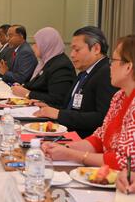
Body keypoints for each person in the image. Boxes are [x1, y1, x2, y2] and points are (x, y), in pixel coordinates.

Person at [42, 35, 135, 170]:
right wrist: (63, 147)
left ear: (128, 67)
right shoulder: (119, 96)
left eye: (113, 61)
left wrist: (72, 155)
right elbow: (99, 138)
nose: (109, 66)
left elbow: (125, 162)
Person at [34, 26, 118, 138]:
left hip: (83, 140)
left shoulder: (106, 73)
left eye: (77, 49)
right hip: (66, 131)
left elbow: (103, 118)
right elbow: (73, 107)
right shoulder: (85, 72)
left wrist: (59, 114)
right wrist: (51, 107)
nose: (72, 54)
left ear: (96, 49)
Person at [11, 27, 76, 107]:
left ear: (46, 44)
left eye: (36, 43)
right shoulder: (46, 61)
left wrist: (28, 93)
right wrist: (23, 87)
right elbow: (37, 85)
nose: (33, 47)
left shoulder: (61, 66)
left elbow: (58, 99)